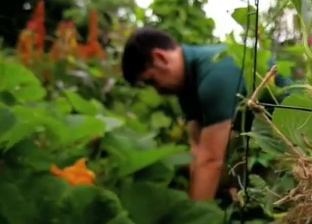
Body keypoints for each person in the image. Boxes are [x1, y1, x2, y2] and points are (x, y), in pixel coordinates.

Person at [121, 27, 292, 202]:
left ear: (161, 58)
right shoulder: (186, 85)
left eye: (151, 80)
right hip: (272, 143)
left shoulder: (214, 74)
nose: (156, 90)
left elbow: (211, 159)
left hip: (298, 137)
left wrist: (193, 220)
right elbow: (197, 149)